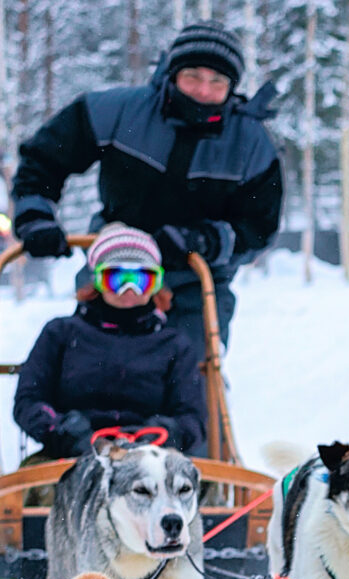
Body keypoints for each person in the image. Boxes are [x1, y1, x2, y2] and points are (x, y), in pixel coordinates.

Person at [10, 22, 281, 352]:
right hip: (112, 265)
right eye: (193, 75)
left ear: (232, 87)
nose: (203, 91)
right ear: (172, 72)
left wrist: (205, 240)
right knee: (90, 367)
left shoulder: (250, 144)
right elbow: (44, 158)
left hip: (195, 279)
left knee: (187, 375)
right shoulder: (119, 111)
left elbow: (259, 227)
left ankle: (200, 395)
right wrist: (35, 216)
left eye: (217, 81)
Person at [13, 225, 205, 460]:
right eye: (117, 278)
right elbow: (28, 402)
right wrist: (65, 431)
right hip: (68, 457)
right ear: (97, 282)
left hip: (154, 460)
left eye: (141, 280)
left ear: (156, 284)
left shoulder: (173, 344)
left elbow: (192, 418)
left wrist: (161, 433)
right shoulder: (61, 333)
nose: (129, 289)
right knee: (35, 494)